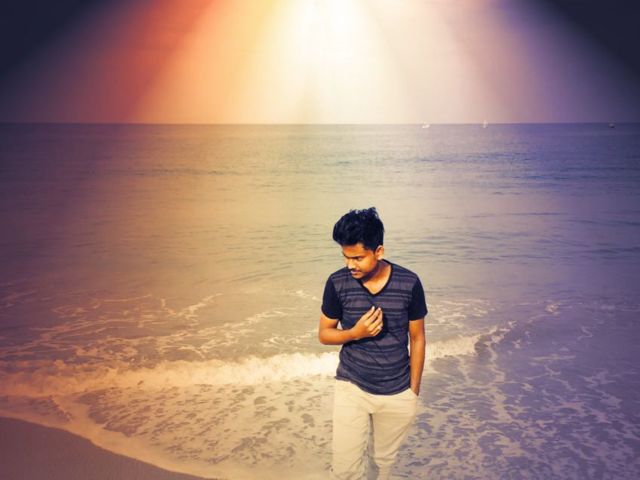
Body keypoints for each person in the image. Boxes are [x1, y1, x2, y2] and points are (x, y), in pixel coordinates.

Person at [319, 207, 428, 480]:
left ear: (378, 251)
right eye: (346, 257)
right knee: (345, 470)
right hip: (352, 386)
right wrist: (355, 333)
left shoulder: (409, 283)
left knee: (381, 465)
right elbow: (324, 334)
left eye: (357, 257)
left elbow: (417, 338)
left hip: (397, 392)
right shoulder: (337, 283)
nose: (350, 265)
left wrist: (413, 391)